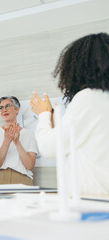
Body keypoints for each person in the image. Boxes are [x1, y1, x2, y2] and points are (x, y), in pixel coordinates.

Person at [30, 33, 109, 195]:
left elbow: (49, 147)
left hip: (92, 200)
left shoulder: (88, 97)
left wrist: (44, 114)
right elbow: (82, 143)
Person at [0, 96, 38, 185]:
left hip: (23, 180)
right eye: (1, 108)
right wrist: (6, 141)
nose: (4, 110)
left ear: (17, 109)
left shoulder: (29, 134)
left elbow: (30, 165)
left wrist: (17, 142)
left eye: (8, 106)